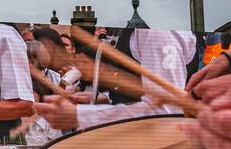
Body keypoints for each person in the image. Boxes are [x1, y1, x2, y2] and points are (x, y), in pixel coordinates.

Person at [34, 27, 197, 132]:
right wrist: (100, 99)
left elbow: (165, 112)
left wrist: (79, 115)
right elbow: (140, 95)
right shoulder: (136, 28)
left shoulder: (157, 30)